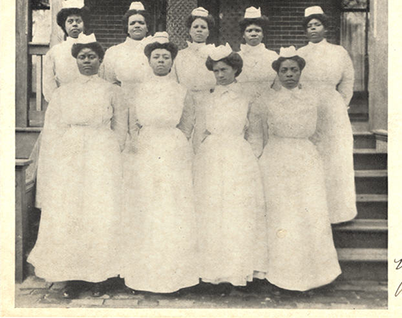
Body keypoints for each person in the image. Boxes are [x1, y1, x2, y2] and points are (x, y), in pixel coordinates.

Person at [27, 33, 127, 299]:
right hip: (70, 155)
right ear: (75, 60)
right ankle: (71, 275)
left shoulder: (112, 91)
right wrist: (62, 155)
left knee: (99, 209)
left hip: (102, 153)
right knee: (71, 210)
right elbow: (54, 128)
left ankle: (100, 275)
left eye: (92, 57)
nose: (87, 61)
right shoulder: (63, 92)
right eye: (82, 57)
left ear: (100, 60)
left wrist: (110, 150)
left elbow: (120, 127)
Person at [249, 46, 341, 291]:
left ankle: (312, 274)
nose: (289, 74)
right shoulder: (265, 100)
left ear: (301, 71)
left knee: (307, 214)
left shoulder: (314, 99)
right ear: (277, 73)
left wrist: (317, 159)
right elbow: (257, 135)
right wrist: (256, 160)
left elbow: (322, 133)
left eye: (294, 69)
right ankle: (278, 274)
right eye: (284, 70)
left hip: (305, 158)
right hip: (276, 158)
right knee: (281, 214)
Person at [121, 32, 198, 294]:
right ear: (149, 60)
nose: (161, 61)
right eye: (156, 57)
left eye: (166, 57)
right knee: (147, 205)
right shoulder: (138, 90)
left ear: (173, 61)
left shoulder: (181, 90)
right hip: (147, 147)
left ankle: (176, 274)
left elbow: (188, 122)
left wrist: (176, 141)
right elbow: (132, 122)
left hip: (173, 148)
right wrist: (141, 140)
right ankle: (144, 273)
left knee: (173, 206)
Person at [193, 44, 266, 292]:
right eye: (216, 71)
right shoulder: (207, 98)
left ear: (236, 69)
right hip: (211, 157)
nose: (220, 75)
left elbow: (255, 135)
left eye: (224, 70)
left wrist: (248, 159)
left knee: (236, 214)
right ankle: (211, 274)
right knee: (212, 212)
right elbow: (201, 131)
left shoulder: (247, 98)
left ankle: (237, 272)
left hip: (237, 157)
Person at [297, 6, 357, 224]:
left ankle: (338, 211)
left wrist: (341, 102)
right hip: (307, 106)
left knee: (335, 156)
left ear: (325, 28)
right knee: (311, 156)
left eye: (317, 25)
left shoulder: (338, 52)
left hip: (333, 107)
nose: (313, 29)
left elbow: (348, 79)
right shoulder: (300, 54)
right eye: (309, 26)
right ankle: (312, 211)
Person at [27, 0, 91, 183]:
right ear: (64, 25)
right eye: (70, 21)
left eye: (78, 20)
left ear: (84, 23)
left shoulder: (92, 48)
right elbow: (48, 84)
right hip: (62, 106)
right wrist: (60, 103)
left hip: (88, 102)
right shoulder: (56, 52)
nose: (75, 25)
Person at [99, 1, 152, 107]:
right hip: (124, 106)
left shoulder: (156, 51)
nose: (137, 26)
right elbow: (109, 83)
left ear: (147, 27)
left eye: (141, 23)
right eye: (132, 23)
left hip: (150, 105)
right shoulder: (114, 52)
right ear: (127, 28)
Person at [174, 7, 216, 101]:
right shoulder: (179, 56)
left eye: (203, 27)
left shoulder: (215, 54)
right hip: (185, 101)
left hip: (209, 100)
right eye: (195, 27)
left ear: (208, 32)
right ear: (189, 31)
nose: (199, 30)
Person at [236, 7, 278, 99]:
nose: (253, 33)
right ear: (243, 35)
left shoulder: (272, 56)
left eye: (257, 30)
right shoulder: (236, 57)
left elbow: (277, 85)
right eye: (249, 31)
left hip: (267, 101)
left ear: (263, 34)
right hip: (241, 101)